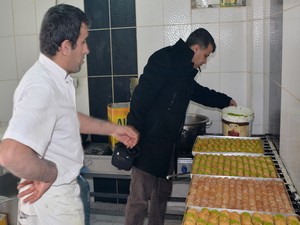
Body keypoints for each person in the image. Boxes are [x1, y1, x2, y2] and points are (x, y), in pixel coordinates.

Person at [0, 4, 138, 225]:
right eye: (83, 42)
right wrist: (50, 173)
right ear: (65, 46)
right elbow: (10, 153)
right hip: (54, 197)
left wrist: (114, 129)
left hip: (46, 193)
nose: (87, 50)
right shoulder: (42, 86)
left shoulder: (54, 78)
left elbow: (67, 119)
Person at [124, 28, 237, 225]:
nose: (205, 61)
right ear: (195, 48)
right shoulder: (164, 60)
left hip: (168, 145)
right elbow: (140, 98)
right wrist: (132, 130)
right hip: (148, 142)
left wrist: (226, 101)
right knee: (139, 199)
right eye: (206, 55)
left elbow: (199, 92)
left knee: (161, 196)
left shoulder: (186, 71)